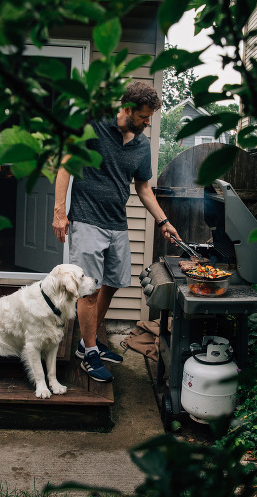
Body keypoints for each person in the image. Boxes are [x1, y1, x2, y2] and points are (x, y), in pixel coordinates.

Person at [52, 81, 180, 382]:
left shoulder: (140, 144)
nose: (148, 122)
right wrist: (60, 212)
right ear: (127, 109)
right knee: (89, 290)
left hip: (116, 224)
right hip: (86, 220)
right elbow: (66, 166)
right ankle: (91, 353)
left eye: (150, 117)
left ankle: (88, 343)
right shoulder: (94, 126)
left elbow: (143, 188)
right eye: (144, 116)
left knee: (112, 283)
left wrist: (164, 222)